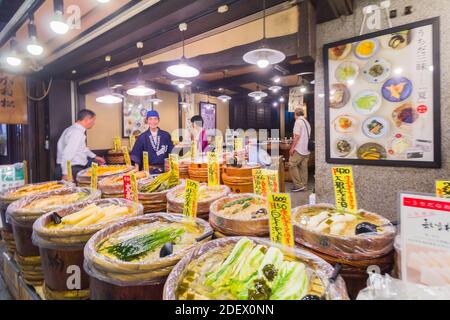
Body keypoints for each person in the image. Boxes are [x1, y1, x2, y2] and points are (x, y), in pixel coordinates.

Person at [56, 109, 105, 181]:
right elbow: (68, 153)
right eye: (93, 120)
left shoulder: (72, 129)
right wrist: (65, 173)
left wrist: (95, 157)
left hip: (73, 168)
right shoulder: (76, 132)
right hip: (71, 169)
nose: (94, 123)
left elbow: (83, 148)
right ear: (87, 120)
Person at [289, 108, 311, 192]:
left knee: (292, 164)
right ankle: (303, 185)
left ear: (296, 114)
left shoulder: (298, 122)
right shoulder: (306, 122)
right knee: (303, 167)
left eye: (294, 114)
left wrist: (292, 148)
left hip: (299, 149)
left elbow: (297, 136)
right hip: (306, 149)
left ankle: (298, 185)